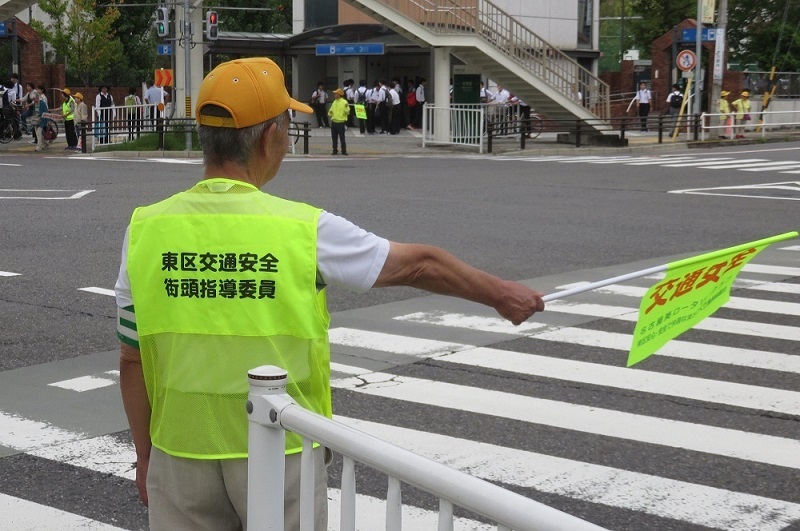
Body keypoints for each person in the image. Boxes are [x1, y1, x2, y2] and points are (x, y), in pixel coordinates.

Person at [115, 57, 545, 531]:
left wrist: (145, 454)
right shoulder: (303, 229)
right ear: (270, 136)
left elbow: (132, 358)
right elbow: (419, 264)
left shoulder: (145, 229)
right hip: (280, 446)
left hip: (179, 451)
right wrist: (501, 294)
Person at [328, 87, 348, 156]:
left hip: (341, 122)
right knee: (334, 138)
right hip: (334, 122)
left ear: (339, 94)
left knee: (342, 138)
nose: (334, 95)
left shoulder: (344, 102)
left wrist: (346, 110)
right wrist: (330, 112)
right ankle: (334, 150)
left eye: (336, 93)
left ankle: (344, 150)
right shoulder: (334, 102)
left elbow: (347, 111)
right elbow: (330, 110)